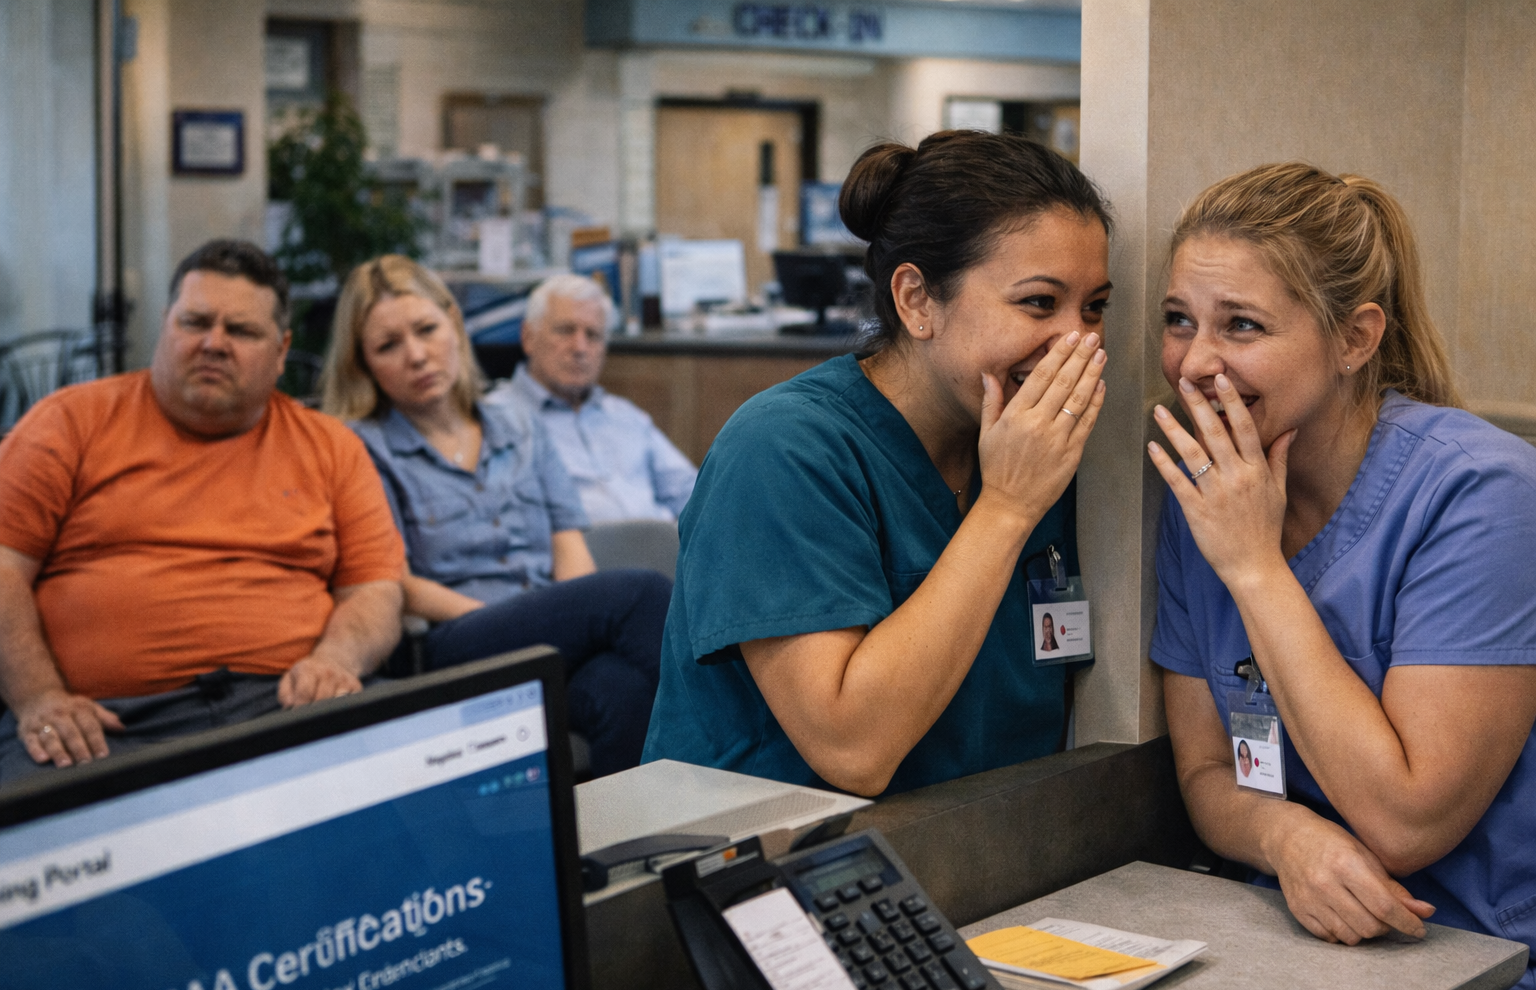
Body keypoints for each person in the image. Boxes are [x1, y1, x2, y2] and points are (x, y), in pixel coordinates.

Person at [1147, 163, 1536, 990]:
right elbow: (1209, 769)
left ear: (1355, 339)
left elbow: (1407, 822)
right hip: (1294, 949)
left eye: (1241, 325)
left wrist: (1254, 567)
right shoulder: (1204, 489)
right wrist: (1285, 836)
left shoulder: (1487, 495)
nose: (1194, 361)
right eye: (1179, 320)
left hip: (1492, 972)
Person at [643, 131, 1112, 796]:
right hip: (777, 871)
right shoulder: (784, 450)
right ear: (917, 301)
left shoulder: (1036, 443)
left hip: (979, 853)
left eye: (1095, 307)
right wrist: (1007, 508)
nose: (1080, 342)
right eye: (1038, 302)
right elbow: (853, 749)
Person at [0, 240, 405, 784]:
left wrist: (336, 661)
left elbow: (375, 590)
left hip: (289, 706)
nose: (214, 344)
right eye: (195, 322)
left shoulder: (331, 447)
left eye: (241, 331)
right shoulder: (69, 423)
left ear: (281, 351)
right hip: (106, 725)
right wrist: (39, 697)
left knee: (431, 794)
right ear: (165, 325)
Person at [320, 255, 672, 777]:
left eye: (426, 330)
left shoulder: (518, 422)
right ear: (362, 362)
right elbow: (391, 579)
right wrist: (527, 623)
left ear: (454, 326)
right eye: (388, 346)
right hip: (450, 638)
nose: (416, 355)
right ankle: (742, 750)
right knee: (643, 593)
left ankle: (631, 848)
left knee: (624, 690)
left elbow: (567, 543)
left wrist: (571, 623)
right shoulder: (360, 445)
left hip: (546, 621)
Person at [484, 273, 697, 523]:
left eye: (593, 335)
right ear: (528, 337)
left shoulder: (626, 416)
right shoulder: (495, 418)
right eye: (565, 331)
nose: (580, 348)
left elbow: (697, 497)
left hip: (662, 555)